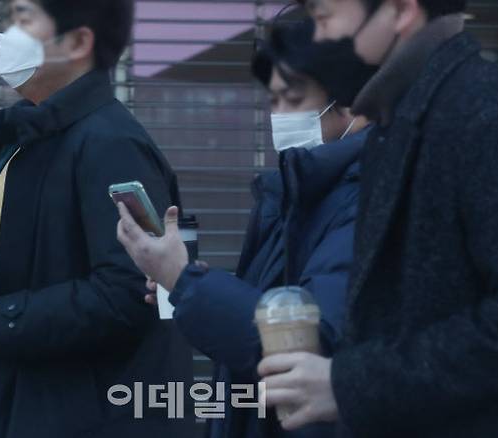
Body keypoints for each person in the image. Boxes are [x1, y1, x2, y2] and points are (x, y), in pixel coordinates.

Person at [0, 0, 195, 437]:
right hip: (27, 401)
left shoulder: (112, 145)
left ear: (78, 41)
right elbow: (36, 269)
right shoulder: (31, 139)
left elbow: (133, 292)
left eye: (23, 18)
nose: (6, 34)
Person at [256, 1, 498, 437]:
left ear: (400, 10)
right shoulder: (398, 120)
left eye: (325, 18)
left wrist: (350, 385)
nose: (317, 39)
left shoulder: (485, 113)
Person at [117, 18, 370, 438]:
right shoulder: (300, 189)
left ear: (352, 101)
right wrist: (193, 283)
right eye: (272, 100)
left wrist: (185, 281)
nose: (278, 115)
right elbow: (276, 303)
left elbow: (304, 341)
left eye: (293, 98)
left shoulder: (366, 194)